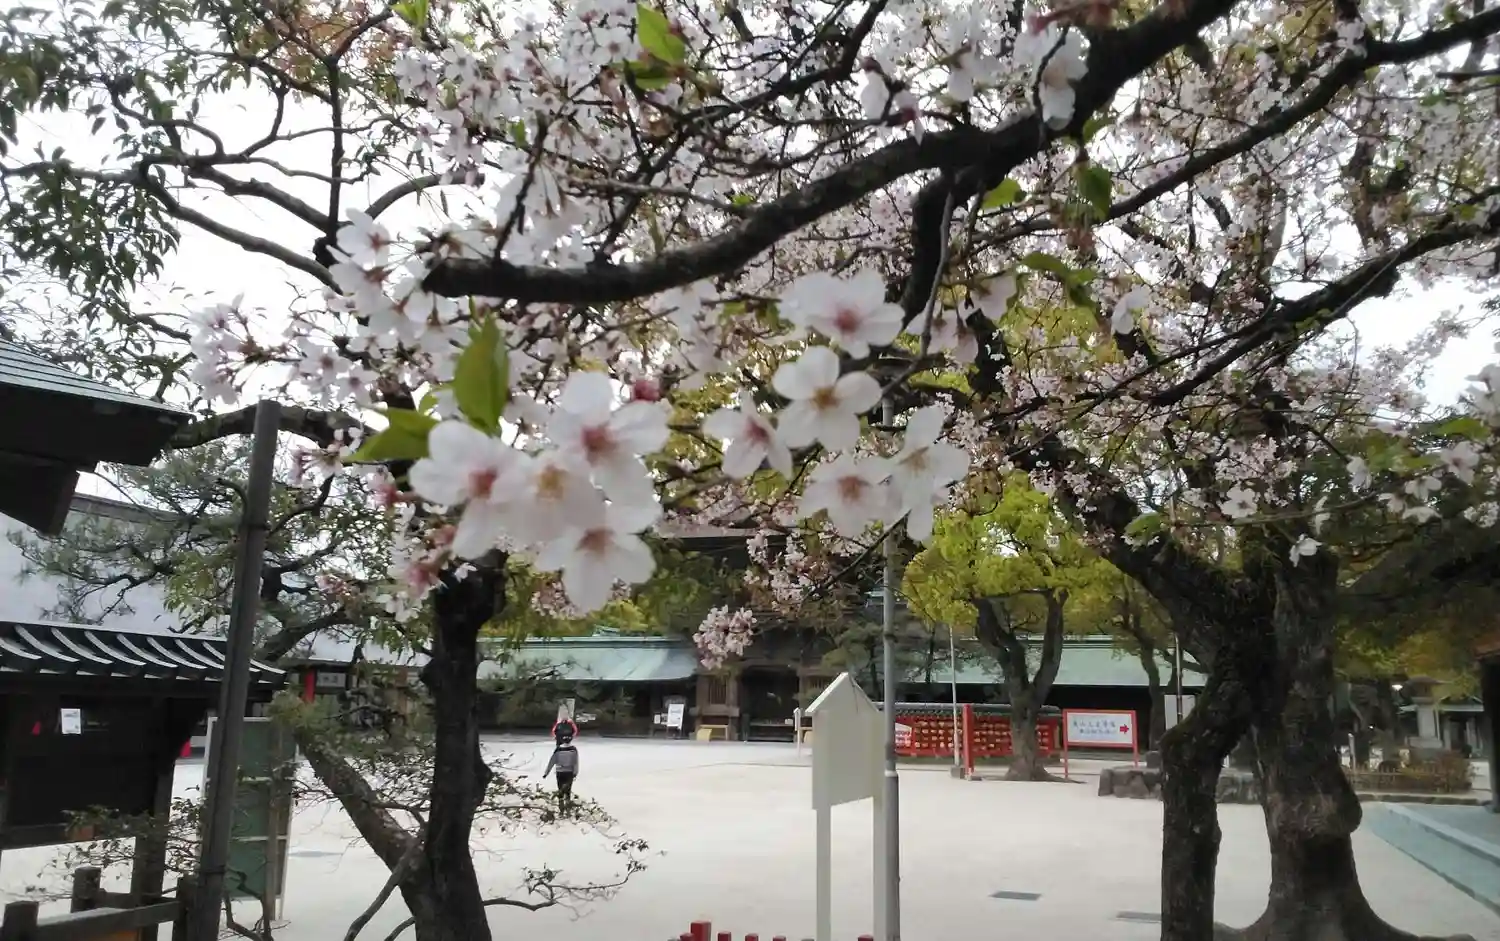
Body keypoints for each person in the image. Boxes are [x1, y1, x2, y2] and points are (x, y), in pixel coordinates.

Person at [543, 728, 579, 812]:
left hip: (559, 772)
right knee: (568, 791)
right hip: (569, 772)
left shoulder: (558, 749)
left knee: (560, 791)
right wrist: (575, 772)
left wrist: (546, 773)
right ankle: (568, 810)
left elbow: (552, 762)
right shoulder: (573, 749)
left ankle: (561, 810)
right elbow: (575, 762)